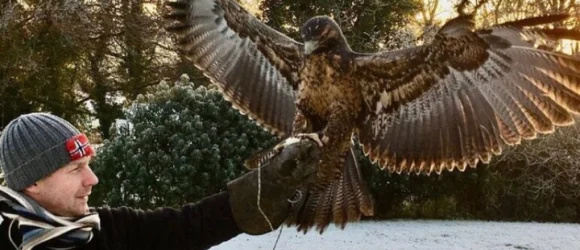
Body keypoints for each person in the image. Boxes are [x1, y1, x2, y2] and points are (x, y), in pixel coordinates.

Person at [0, 112, 320, 250]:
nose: (92, 179)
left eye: (88, 164)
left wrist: (268, 185)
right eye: (74, 169)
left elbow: (185, 227)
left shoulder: (104, 229)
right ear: (32, 183)